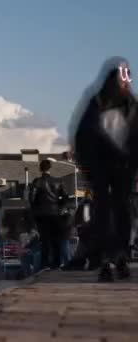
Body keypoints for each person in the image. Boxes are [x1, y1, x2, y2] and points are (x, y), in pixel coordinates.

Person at [71, 57, 137, 281]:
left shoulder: (132, 106)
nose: (126, 84)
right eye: (122, 79)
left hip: (124, 169)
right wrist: (91, 167)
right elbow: (83, 138)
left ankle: (119, 255)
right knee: (104, 213)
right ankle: (108, 259)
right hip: (102, 168)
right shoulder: (97, 104)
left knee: (121, 211)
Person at [29, 159, 69, 269]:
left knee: (45, 239)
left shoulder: (37, 182)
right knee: (56, 239)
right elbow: (66, 197)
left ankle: (44, 263)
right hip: (56, 214)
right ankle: (57, 262)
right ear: (50, 168)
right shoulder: (58, 181)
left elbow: (31, 198)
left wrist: (35, 209)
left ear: (40, 169)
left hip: (42, 215)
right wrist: (60, 207)